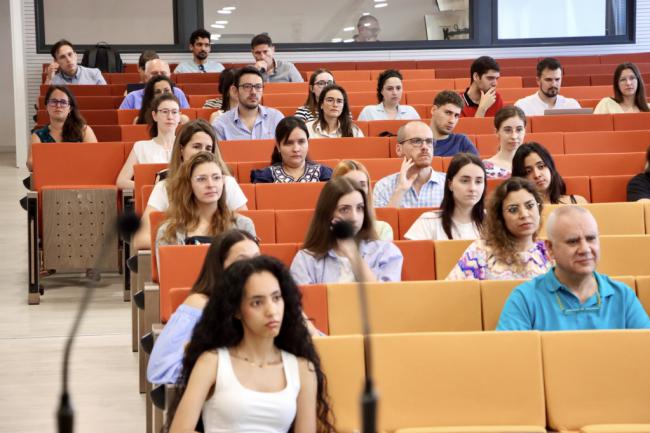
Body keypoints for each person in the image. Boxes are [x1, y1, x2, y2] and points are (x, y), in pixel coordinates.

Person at [166, 256, 335, 433]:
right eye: (257, 302)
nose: (271, 311)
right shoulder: (212, 362)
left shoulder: (303, 369)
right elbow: (180, 430)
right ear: (237, 311)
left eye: (276, 298)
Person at [497, 206, 650, 330]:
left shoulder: (623, 296)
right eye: (573, 241)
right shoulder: (525, 298)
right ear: (550, 249)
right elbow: (511, 360)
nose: (585, 249)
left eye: (591, 238)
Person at [148, 229, 260, 384]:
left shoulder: (271, 302)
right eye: (241, 261)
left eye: (257, 260)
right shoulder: (200, 305)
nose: (252, 268)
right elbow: (161, 369)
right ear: (220, 266)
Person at [133, 119, 248, 250]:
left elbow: (244, 231)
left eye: (208, 148)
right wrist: (187, 246)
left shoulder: (227, 183)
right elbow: (141, 240)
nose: (202, 152)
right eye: (196, 146)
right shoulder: (165, 187)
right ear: (181, 150)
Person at [290, 177, 403, 285]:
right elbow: (305, 303)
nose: (354, 217)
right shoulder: (305, 259)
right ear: (327, 214)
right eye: (344, 209)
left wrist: (353, 254)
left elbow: (384, 299)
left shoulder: (386, 252)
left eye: (359, 208)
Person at [447, 177, 552, 280]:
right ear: (500, 217)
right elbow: (452, 294)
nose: (524, 214)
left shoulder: (550, 253)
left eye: (530, 206)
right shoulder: (480, 251)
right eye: (513, 209)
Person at [155, 152, 256, 252]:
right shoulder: (168, 232)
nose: (211, 184)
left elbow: (250, 267)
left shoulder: (243, 225)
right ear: (189, 185)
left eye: (216, 178)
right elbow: (169, 268)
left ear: (223, 182)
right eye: (201, 179)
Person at [405, 153, 485, 240]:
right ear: (450, 184)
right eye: (465, 181)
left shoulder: (496, 222)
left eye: (478, 181)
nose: (472, 188)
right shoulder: (428, 221)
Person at [373, 121, 446, 208]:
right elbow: (382, 221)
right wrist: (400, 190)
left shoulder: (449, 184)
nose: (425, 147)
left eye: (429, 141)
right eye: (416, 141)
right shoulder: (383, 187)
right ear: (399, 149)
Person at [116, 93, 182, 190]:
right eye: (165, 111)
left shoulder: (186, 144)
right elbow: (121, 181)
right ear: (154, 115)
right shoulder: (141, 147)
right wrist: (151, 188)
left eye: (174, 112)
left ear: (179, 116)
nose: (170, 116)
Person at [28, 85, 97, 170]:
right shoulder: (37, 135)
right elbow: (31, 163)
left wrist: (51, 162)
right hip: (50, 179)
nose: (58, 105)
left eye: (63, 102)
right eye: (53, 101)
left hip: (80, 178)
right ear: (47, 106)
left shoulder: (84, 131)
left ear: (70, 108)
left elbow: (94, 159)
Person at [251, 117, 333, 183]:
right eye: (288, 143)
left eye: (301, 142)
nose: (296, 149)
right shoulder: (265, 177)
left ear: (308, 143)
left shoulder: (324, 174)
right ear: (278, 146)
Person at [212, 66, 285, 141]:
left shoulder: (276, 118)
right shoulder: (221, 124)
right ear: (235, 91)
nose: (253, 92)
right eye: (247, 86)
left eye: (258, 87)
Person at [332, 159, 394, 240]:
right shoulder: (325, 230)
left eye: (362, 185)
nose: (357, 190)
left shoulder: (382, 229)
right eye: (349, 184)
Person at [512, 142, 588, 204]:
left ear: (550, 167)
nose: (537, 175)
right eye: (528, 171)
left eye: (541, 166)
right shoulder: (523, 214)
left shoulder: (578, 202)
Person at [515, 57, 581, 116]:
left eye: (557, 79)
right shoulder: (522, 106)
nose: (553, 84)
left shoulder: (572, 105)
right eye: (548, 80)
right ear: (538, 80)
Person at [119, 59, 190, 109]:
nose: (159, 76)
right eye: (154, 73)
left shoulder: (178, 93)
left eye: (163, 73)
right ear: (146, 77)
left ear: (169, 76)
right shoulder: (132, 97)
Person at [482, 106, 527, 179]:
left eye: (519, 130)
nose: (514, 136)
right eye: (508, 130)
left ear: (525, 131)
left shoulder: (533, 166)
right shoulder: (485, 169)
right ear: (497, 132)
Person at [429, 90, 478, 156]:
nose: (452, 121)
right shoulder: (417, 141)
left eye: (456, 116)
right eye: (448, 113)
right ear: (434, 110)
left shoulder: (461, 142)